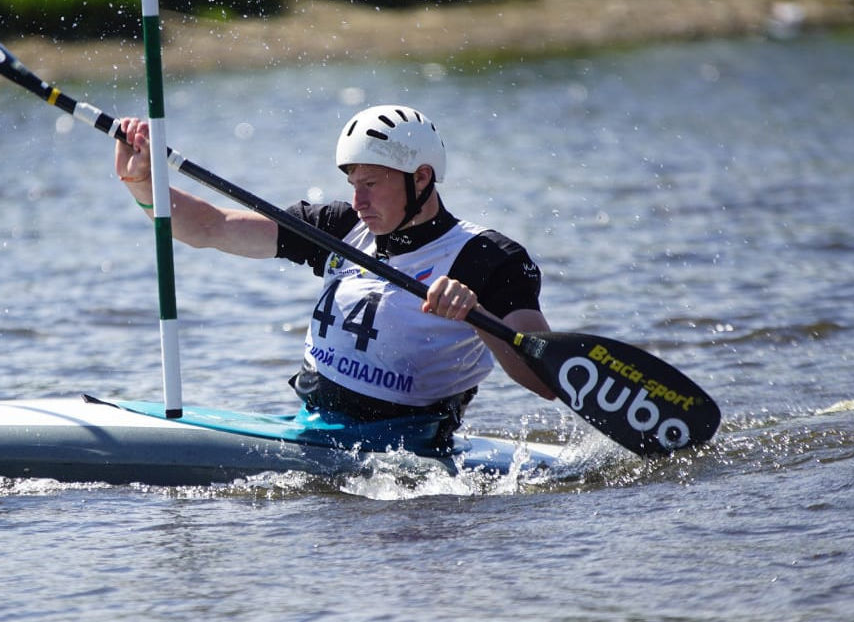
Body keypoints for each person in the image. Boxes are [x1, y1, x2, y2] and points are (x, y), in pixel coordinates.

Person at [115, 104, 555, 449]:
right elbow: (211, 227)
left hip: (407, 446)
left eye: (372, 184)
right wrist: (142, 183)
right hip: (315, 426)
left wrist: (478, 317)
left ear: (421, 178)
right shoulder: (338, 227)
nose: (358, 200)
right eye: (353, 184)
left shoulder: (488, 258)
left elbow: (547, 380)